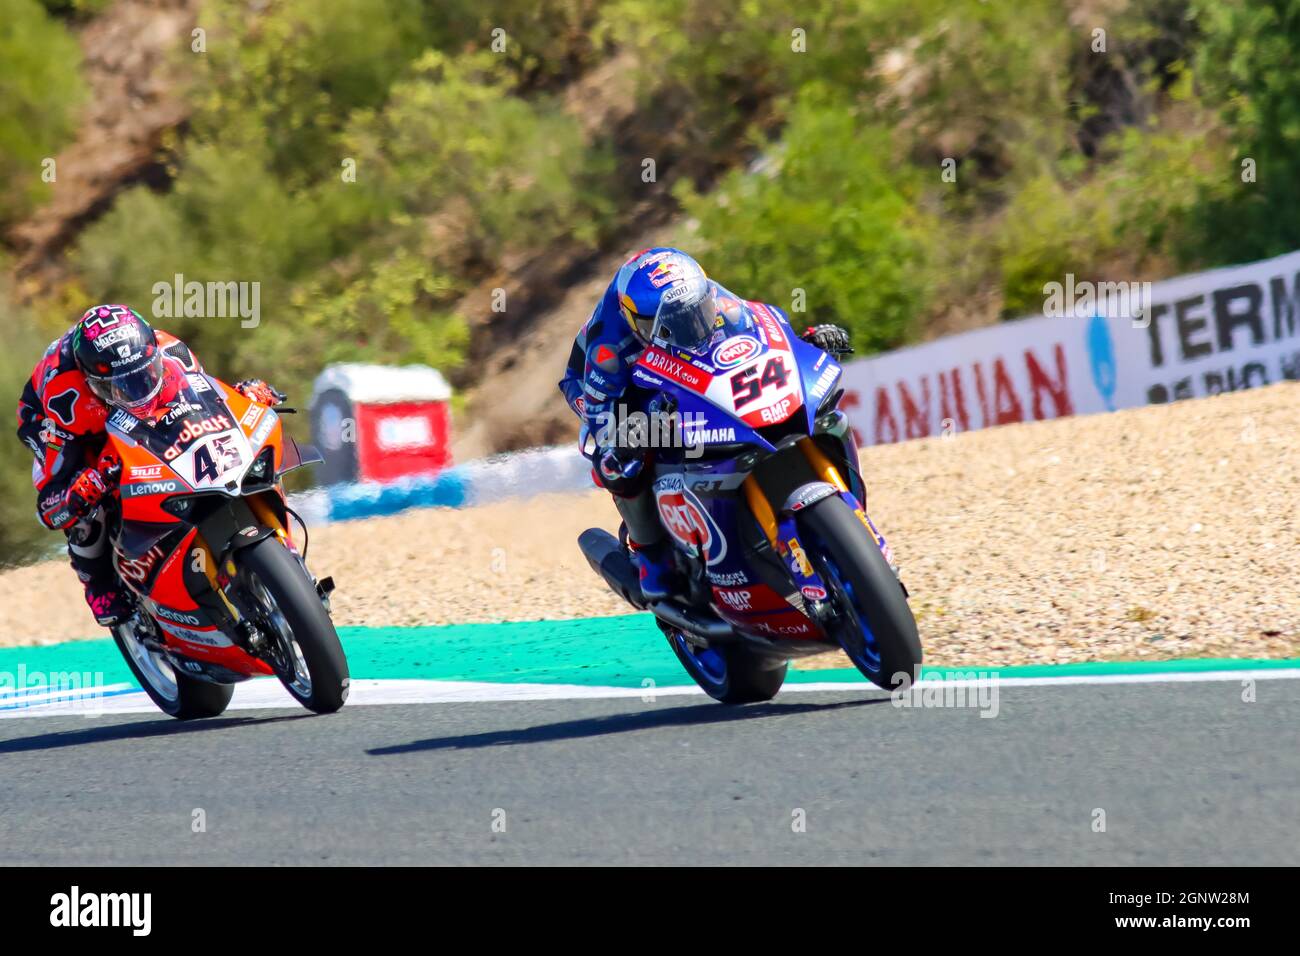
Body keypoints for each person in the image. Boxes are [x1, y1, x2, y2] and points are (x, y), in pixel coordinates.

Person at [558, 248, 851, 601]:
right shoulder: (609, 348)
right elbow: (600, 415)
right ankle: (651, 556)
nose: (688, 327)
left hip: (674, 357)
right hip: (606, 388)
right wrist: (621, 437)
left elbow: (766, 330)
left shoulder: (710, 296)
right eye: (670, 324)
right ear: (636, 321)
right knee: (618, 463)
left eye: (695, 314)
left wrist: (807, 343)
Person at [14, 304, 285, 625]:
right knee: (83, 501)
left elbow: (210, 396)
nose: (137, 392)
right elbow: (49, 507)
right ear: (92, 382)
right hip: (54, 421)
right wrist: (78, 490)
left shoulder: (171, 350)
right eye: (121, 385)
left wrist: (245, 396)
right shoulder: (66, 401)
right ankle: (96, 583)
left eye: (144, 376)